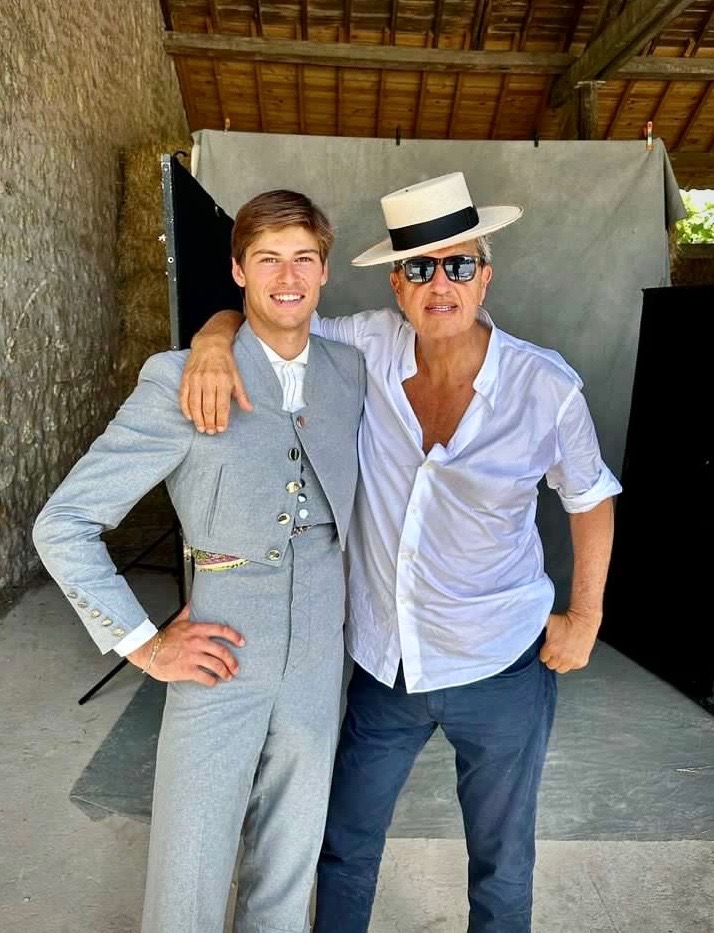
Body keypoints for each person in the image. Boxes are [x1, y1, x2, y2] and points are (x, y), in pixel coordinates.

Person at [179, 172, 622, 933]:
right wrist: (213, 338)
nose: (439, 284)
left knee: (503, 864)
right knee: (344, 849)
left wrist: (585, 617)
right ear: (397, 283)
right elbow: (277, 316)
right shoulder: (364, 347)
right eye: (419, 267)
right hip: (388, 666)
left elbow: (590, 499)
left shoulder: (544, 387)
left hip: (500, 666)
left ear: (485, 275)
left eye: (458, 264)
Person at [33, 190, 365, 933]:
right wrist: (145, 645)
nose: (288, 276)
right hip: (223, 638)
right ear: (238, 270)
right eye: (268, 259)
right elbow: (64, 523)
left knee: (291, 860)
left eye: (303, 258)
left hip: (321, 645)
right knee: (190, 862)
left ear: (325, 270)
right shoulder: (181, 378)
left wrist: (218, 329)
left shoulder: (351, 370)